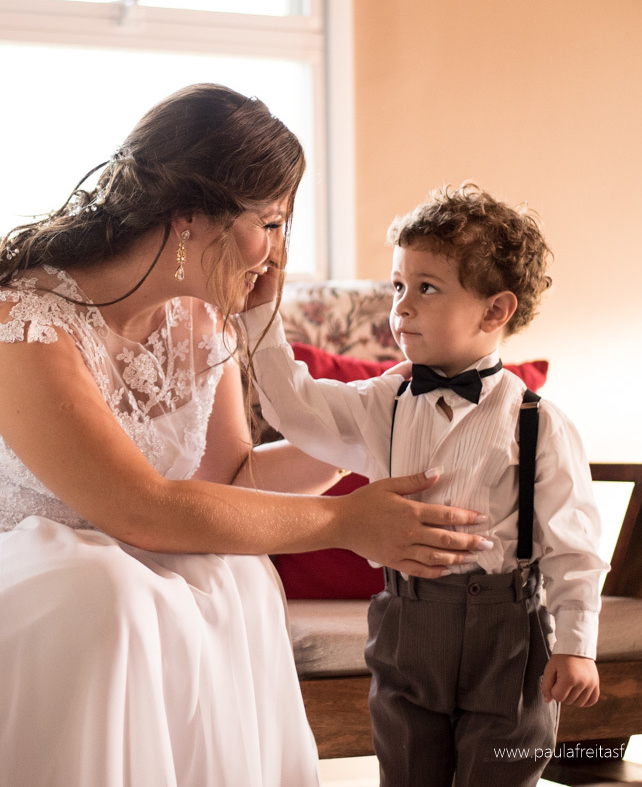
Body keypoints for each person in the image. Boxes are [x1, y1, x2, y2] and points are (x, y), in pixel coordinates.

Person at [0, 85, 488, 787]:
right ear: (190, 219)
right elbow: (142, 509)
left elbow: (229, 480)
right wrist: (346, 522)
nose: (277, 257)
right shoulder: (15, 322)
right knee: (104, 593)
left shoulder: (198, 321)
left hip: (102, 560)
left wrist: (369, 425)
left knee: (231, 574)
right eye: (269, 224)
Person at [238, 184, 608, 787]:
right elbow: (295, 406)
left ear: (495, 311)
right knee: (406, 768)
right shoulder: (385, 399)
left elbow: (575, 547)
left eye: (427, 288)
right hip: (407, 624)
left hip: (505, 634)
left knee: (499, 770)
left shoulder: (537, 421)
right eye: (398, 286)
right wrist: (260, 312)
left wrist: (576, 645)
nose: (402, 307)